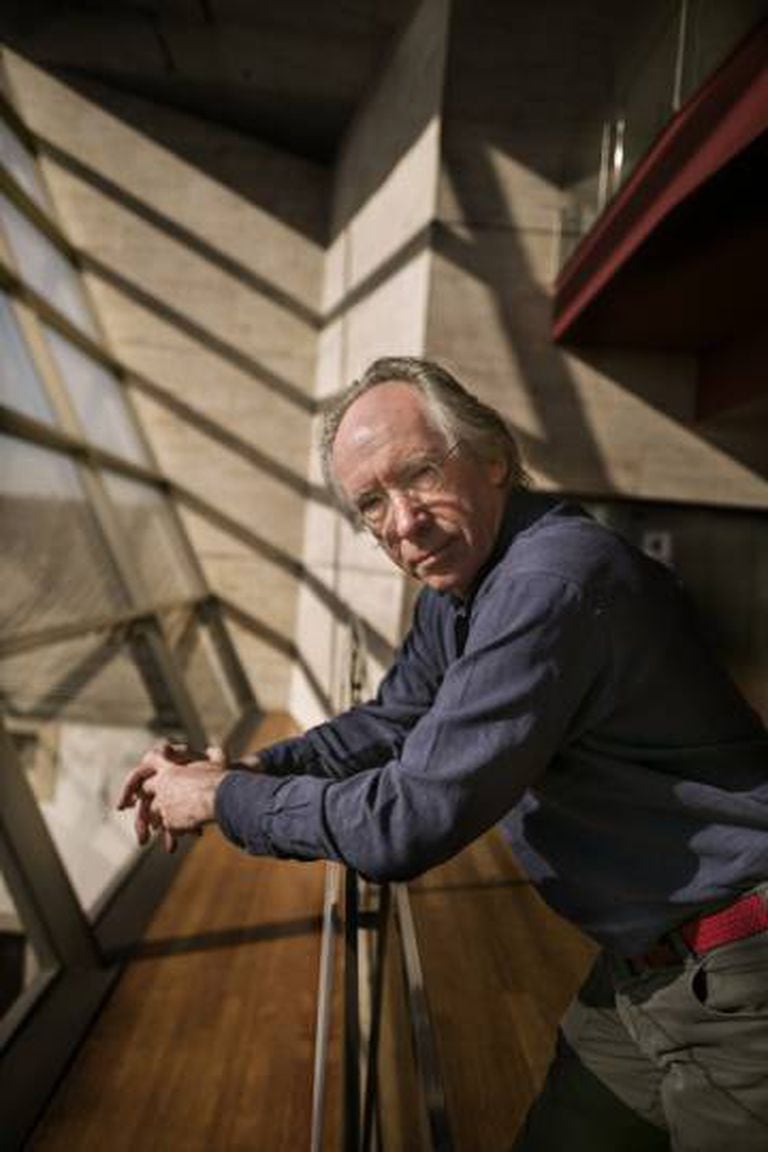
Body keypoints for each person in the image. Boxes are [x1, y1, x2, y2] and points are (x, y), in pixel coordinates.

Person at [118, 357, 768, 1151]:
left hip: (744, 971)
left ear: (492, 456)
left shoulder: (550, 582)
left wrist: (220, 800)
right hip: (647, 964)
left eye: (420, 473)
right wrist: (247, 771)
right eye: (371, 503)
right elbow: (393, 718)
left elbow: (407, 822)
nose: (403, 523)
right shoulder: (461, 585)